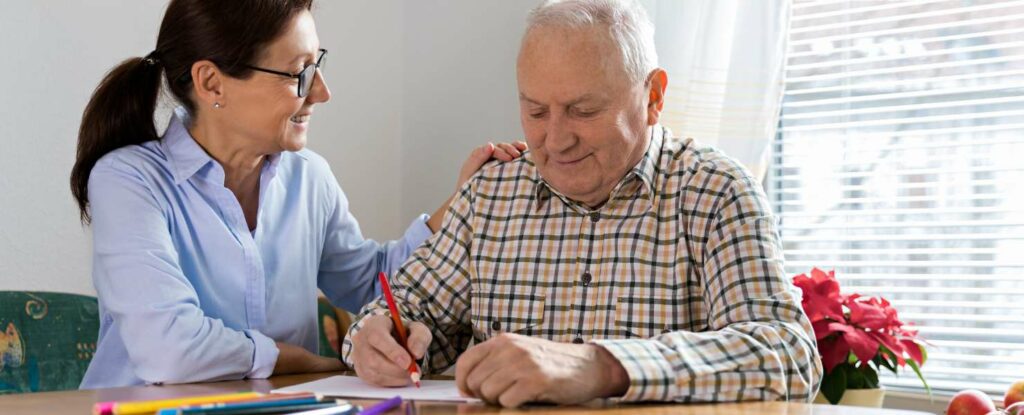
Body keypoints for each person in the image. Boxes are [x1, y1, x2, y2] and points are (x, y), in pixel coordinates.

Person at [343, 0, 821, 408]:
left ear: (653, 97)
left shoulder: (716, 192)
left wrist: (603, 366)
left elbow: (789, 353)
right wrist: (381, 338)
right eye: (535, 111)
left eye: (583, 111)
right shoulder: (488, 196)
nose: (554, 139)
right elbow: (401, 312)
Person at [70, 0, 525, 389]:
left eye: (317, 66)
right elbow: (167, 349)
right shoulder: (129, 181)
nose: (322, 93)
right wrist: (298, 360)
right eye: (298, 74)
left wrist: (462, 201)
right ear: (211, 83)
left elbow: (373, 284)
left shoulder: (309, 178)